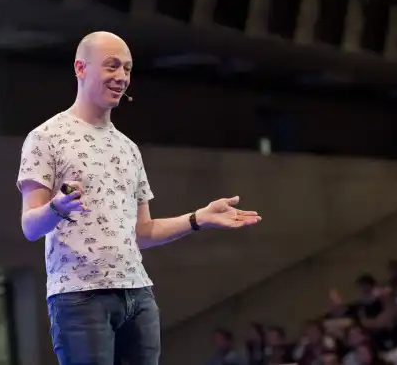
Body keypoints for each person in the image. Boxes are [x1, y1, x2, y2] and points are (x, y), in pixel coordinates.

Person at [16, 31, 262, 365]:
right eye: (112, 66)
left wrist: (197, 219)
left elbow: (142, 232)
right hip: (79, 297)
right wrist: (56, 208)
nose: (121, 77)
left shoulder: (128, 148)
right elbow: (30, 227)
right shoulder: (46, 138)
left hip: (138, 294)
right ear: (80, 67)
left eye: (127, 69)